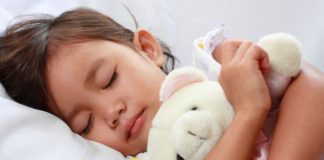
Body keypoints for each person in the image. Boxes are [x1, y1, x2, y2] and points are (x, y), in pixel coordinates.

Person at [0, 8, 323, 159]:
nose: (112, 112)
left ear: (148, 48)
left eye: (109, 79)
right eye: (86, 125)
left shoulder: (217, 73)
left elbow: (311, 86)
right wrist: (249, 111)